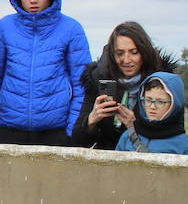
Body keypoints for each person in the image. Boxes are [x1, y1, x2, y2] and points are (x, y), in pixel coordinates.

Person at [0, 0, 91, 145]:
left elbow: (82, 85)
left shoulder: (72, 29)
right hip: (8, 130)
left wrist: (72, 130)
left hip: (56, 132)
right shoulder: (4, 27)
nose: (33, 0)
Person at [72, 21, 177, 150]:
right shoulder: (98, 80)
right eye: (120, 53)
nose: (126, 60)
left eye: (134, 52)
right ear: (112, 54)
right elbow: (77, 140)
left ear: (144, 52)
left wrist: (134, 126)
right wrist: (91, 120)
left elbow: (172, 135)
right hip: (108, 161)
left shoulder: (163, 83)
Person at [114, 73, 188, 155]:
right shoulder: (128, 136)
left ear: (174, 105)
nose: (152, 106)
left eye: (160, 102)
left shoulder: (183, 145)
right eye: (148, 100)